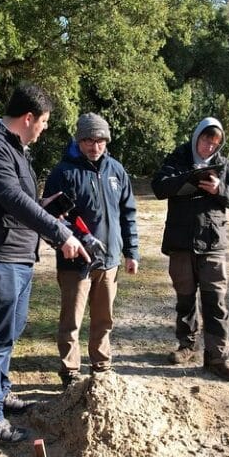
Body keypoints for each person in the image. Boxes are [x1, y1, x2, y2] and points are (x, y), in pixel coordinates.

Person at [0, 84, 90, 444]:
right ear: (28, 117)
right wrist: (61, 235)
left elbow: (21, 202)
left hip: (17, 254)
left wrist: (48, 206)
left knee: (10, 332)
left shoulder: (14, 148)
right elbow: (13, 200)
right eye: (44, 121)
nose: (44, 128)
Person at [43, 113, 139, 387]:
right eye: (88, 140)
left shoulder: (117, 171)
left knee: (104, 318)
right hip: (76, 264)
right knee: (71, 321)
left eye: (99, 141)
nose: (94, 146)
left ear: (106, 141)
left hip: (109, 261)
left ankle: (101, 366)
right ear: (78, 140)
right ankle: (70, 372)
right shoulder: (63, 172)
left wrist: (131, 252)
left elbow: (127, 214)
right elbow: (49, 218)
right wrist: (66, 242)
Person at [151, 117, 229, 382]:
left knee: (215, 302)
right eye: (206, 140)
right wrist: (188, 179)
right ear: (197, 137)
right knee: (185, 298)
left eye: (215, 143)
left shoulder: (225, 166)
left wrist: (219, 188)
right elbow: (159, 187)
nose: (209, 147)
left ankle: (217, 358)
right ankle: (187, 345)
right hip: (181, 242)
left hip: (213, 243)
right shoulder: (178, 158)